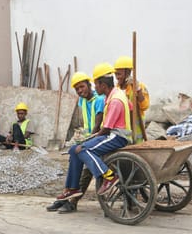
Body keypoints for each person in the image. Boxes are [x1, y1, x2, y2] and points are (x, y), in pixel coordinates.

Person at [50, 63, 132, 213]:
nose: (95, 87)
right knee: (75, 150)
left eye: (96, 84)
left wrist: (87, 141)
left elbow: (105, 128)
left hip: (117, 136)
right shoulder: (115, 95)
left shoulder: (114, 100)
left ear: (101, 83)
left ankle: (109, 176)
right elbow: (131, 107)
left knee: (81, 150)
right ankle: (72, 188)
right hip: (112, 134)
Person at [46, 71, 105, 213]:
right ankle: (65, 198)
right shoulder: (82, 100)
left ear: (89, 85)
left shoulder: (99, 99)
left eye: (82, 87)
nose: (80, 91)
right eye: (77, 89)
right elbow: (86, 121)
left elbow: (97, 123)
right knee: (73, 162)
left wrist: (87, 140)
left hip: (98, 138)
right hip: (90, 137)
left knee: (85, 170)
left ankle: (72, 202)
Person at [114, 56, 150, 144]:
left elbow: (144, 106)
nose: (117, 77)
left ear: (128, 73)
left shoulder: (139, 87)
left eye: (119, 74)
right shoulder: (116, 89)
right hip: (122, 127)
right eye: (116, 74)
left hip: (136, 127)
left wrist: (137, 89)